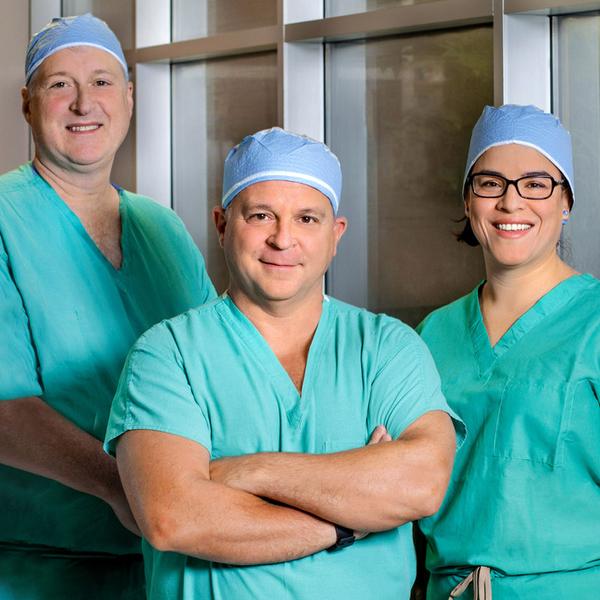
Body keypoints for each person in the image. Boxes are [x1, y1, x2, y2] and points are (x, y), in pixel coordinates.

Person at [104, 127, 464, 600]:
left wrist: (249, 471)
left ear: (336, 236)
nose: (283, 239)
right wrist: (346, 521)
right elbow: (175, 518)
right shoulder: (168, 354)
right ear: (221, 224)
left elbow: (421, 484)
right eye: (260, 215)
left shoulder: (386, 348)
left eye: (308, 219)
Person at [0, 14, 215, 599]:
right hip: (36, 564)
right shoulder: (4, 219)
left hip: (165, 561)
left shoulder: (163, 229)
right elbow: (5, 409)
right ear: (27, 104)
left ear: (128, 97)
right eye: (58, 85)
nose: (81, 103)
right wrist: (123, 486)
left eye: (100, 82)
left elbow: (222, 370)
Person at [417, 104, 600, 599]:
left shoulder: (594, 324)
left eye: (536, 183)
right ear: (469, 199)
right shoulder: (432, 334)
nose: (511, 202)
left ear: (566, 201)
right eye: (491, 182)